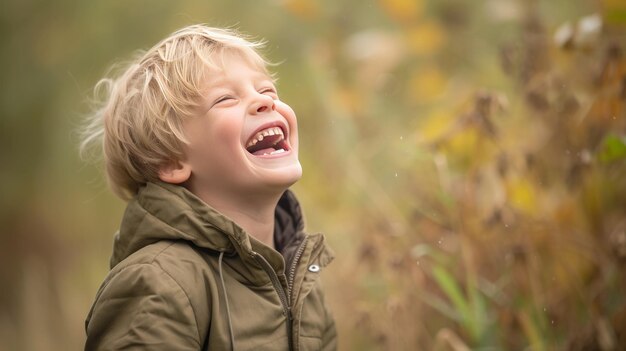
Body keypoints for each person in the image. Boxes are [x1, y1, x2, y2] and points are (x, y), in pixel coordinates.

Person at [80, 24, 336, 350]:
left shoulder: (301, 279)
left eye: (268, 91)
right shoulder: (159, 283)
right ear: (171, 162)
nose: (263, 102)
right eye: (226, 98)